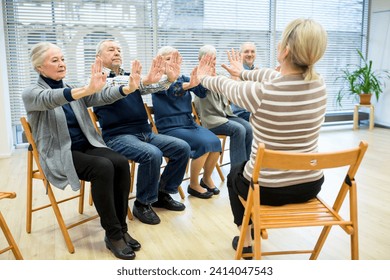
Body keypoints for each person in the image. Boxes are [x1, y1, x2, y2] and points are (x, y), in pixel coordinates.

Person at [197, 18, 328, 258]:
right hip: (310, 185)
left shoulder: (261, 93)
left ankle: (246, 240)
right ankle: (250, 233)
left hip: (267, 189)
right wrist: (245, 73)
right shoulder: (320, 86)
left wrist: (204, 76)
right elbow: (275, 77)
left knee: (235, 173)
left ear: (286, 50)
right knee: (244, 168)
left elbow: (224, 85)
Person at [22, 42, 143, 260]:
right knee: (103, 167)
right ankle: (113, 234)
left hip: (86, 145)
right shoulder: (32, 93)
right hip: (60, 153)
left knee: (120, 161)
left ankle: (122, 229)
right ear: (40, 67)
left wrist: (127, 89)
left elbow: (100, 96)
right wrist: (86, 89)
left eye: (62, 59)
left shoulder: (74, 87)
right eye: (54, 60)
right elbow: (52, 98)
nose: (61, 64)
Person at [93, 39, 191, 225]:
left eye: (119, 49)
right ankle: (142, 203)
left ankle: (162, 193)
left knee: (182, 148)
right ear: (99, 57)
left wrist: (169, 79)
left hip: (144, 133)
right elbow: (117, 84)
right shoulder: (96, 80)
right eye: (111, 49)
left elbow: (150, 86)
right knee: (152, 154)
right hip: (117, 137)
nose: (117, 52)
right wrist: (140, 80)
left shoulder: (132, 77)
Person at [152, 46, 222, 199]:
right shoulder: (156, 82)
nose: (172, 62)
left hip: (189, 124)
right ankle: (194, 184)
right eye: (168, 59)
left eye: (175, 59)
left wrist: (205, 78)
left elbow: (201, 93)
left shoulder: (183, 78)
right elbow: (174, 90)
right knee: (203, 144)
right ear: (160, 62)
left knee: (215, 142)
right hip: (170, 127)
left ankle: (206, 178)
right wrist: (190, 84)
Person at [193, 45, 253, 168]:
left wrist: (234, 77)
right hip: (211, 120)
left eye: (214, 59)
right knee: (238, 129)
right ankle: (236, 172)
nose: (213, 62)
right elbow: (201, 90)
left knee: (248, 127)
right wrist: (206, 77)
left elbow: (230, 94)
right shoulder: (196, 77)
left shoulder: (218, 74)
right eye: (209, 59)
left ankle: (246, 167)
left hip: (225, 115)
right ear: (200, 60)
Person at [229, 42, 258, 122]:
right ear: (240, 54)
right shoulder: (236, 71)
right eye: (246, 51)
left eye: (252, 51)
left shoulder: (255, 71)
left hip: (253, 112)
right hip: (240, 114)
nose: (250, 54)